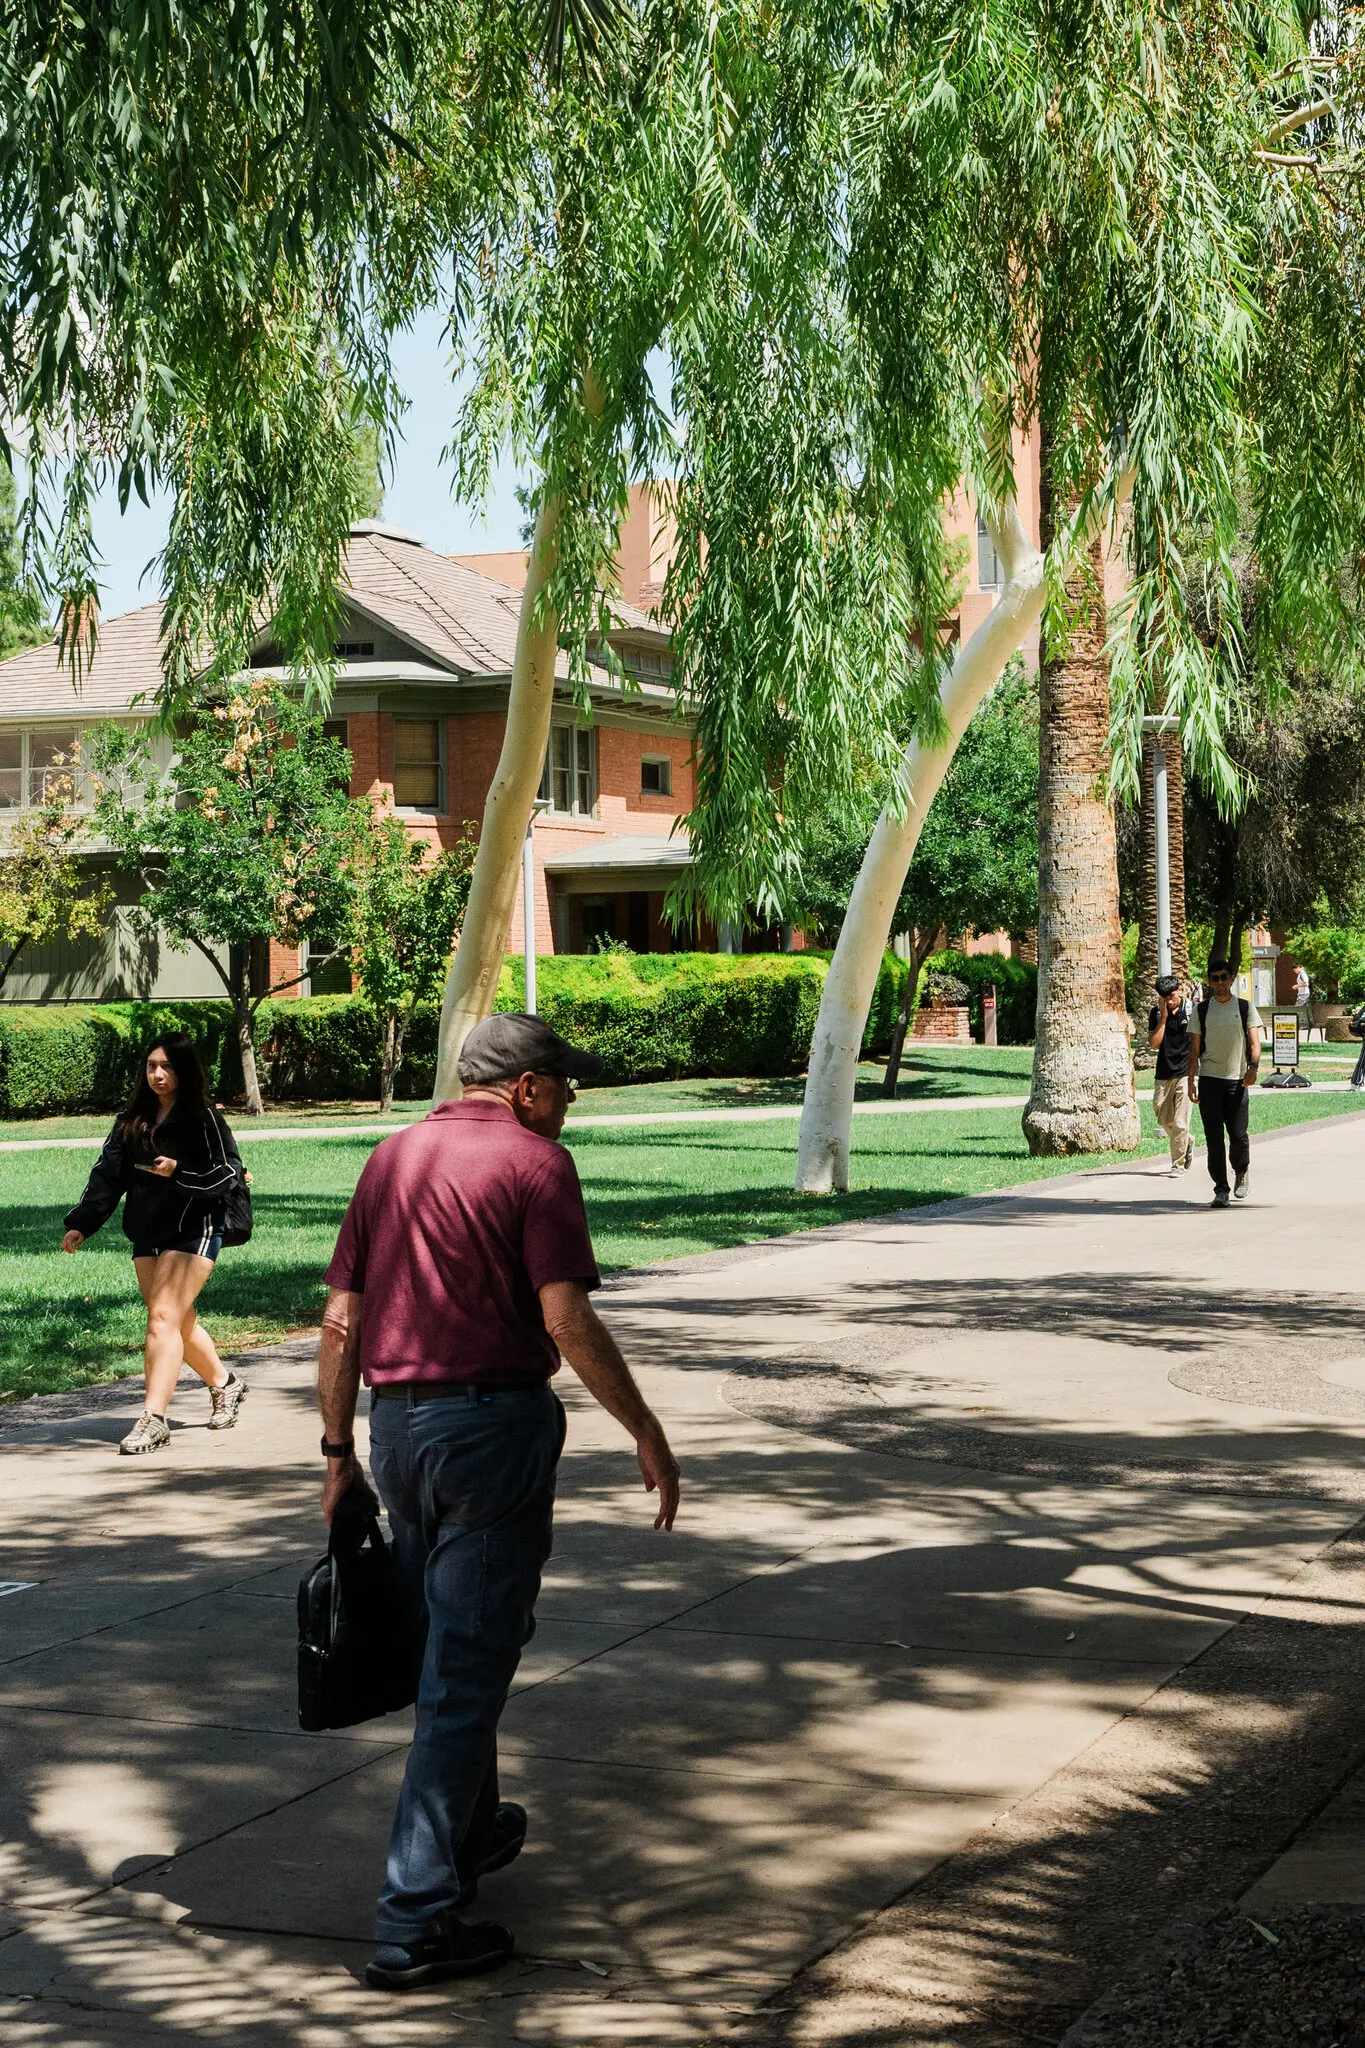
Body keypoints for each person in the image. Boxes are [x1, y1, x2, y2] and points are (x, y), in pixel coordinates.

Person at [317, 1012, 681, 1993]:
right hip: (491, 1433)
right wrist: (643, 1425)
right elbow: (563, 1313)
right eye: (565, 1083)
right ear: (524, 1086)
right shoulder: (534, 1164)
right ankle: (414, 1923)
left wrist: (335, 1450)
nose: (571, 1101)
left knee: (450, 1639)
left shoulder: (391, 1155)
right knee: (462, 1679)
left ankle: (472, 1827)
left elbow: (342, 1316)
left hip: (398, 1433)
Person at [61, 1032, 248, 1454]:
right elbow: (107, 1176)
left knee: (162, 1318)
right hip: (147, 1232)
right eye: (151, 1066)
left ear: (183, 1071)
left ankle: (153, 1419)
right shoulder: (132, 1119)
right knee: (176, 1322)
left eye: (166, 1067)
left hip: (194, 1226)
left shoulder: (203, 1118)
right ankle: (226, 1383)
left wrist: (178, 1171)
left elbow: (228, 1173)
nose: (157, 1074)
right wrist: (83, 1224)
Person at [1187, 960, 1261, 1208]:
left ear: (1231, 979)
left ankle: (1241, 1171)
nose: (1219, 983)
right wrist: (1191, 1080)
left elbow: (1255, 1042)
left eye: (1223, 977)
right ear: (1209, 981)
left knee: (1238, 1135)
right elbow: (1195, 1047)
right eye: (1215, 978)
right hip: (1209, 1080)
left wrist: (1253, 1067)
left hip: (1237, 1081)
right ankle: (1221, 1189)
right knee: (1214, 1138)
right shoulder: (1201, 1010)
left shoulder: (1244, 1007)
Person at [1148, 974, 1195, 1177]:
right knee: (1161, 1114)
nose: (1169, 1000)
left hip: (1186, 1071)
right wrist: (1164, 1017)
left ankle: (1177, 1164)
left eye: (1172, 995)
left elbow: (1199, 1041)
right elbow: (1154, 1043)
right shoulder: (1156, 1014)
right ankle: (1187, 1141)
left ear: (1179, 990)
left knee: (1180, 1121)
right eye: (1164, 997)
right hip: (1164, 1072)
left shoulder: (1192, 1010)